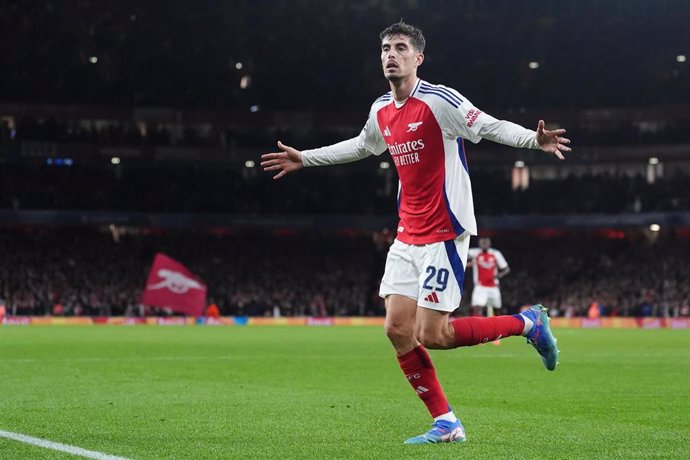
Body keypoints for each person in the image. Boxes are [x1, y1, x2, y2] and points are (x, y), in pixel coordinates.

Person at [261, 21, 567, 445]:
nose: (391, 54)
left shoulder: (440, 101)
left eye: (400, 47)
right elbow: (362, 145)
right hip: (407, 234)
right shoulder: (380, 109)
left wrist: (535, 142)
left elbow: (491, 125)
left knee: (433, 334)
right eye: (386, 47)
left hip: (444, 230)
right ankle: (447, 423)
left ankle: (526, 323)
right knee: (396, 329)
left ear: (417, 58)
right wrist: (306, 159)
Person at [467, 237, 510, 319]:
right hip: (480, 287)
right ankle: (478, 326)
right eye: (482, 242)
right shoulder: (474, 252)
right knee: (477, 307)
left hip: (493, 287)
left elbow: (506, 269)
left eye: (486, 242)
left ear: (489, 244)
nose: (484, 244)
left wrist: (499, 275)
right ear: (479, 244)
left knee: (497, 309)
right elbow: (462, 255)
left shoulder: (496, 253)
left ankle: (498, 328)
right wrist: (467, 264)